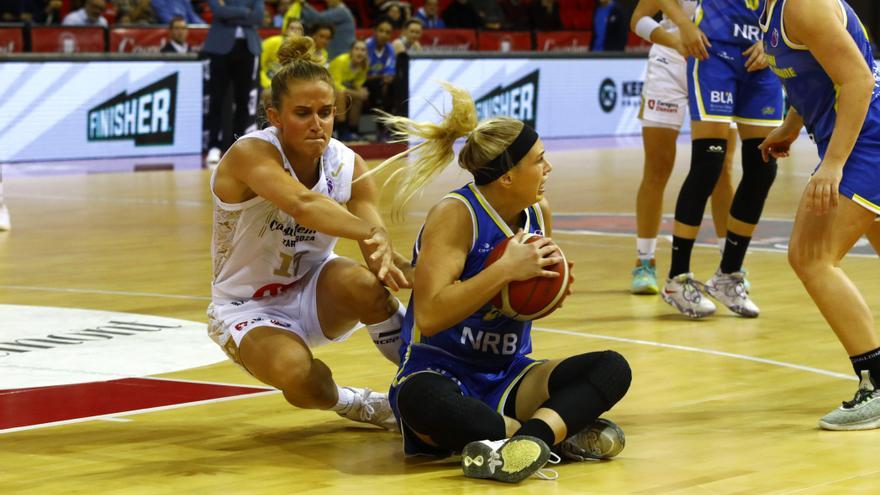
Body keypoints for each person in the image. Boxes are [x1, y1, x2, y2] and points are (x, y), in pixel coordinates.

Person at [368, 83, 632, 483]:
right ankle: (550, 439)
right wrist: (504, 271)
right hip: (440, 370)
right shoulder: (456, 215)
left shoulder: (538, 212)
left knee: (613, 368)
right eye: (539, 160)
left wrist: (545, 291)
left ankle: (529, 441)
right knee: (421, 402)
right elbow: (432, 314)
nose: (550, 168)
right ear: (507, 177)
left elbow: (522, 297)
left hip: (509, 373)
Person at [207, 35, 412, 431]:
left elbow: (380, 255)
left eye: (326, 111)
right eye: (303, 113)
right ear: (275, 116)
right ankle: (357, 403)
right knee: (301, 378)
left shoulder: (349, 164)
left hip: (316, 285)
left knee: (367, 286)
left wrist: (425, 274)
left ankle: (433, 374)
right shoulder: (251, 154)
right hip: (246, 306)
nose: (317, 124)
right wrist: (372, 231)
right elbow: (303, 205)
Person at [757, 0, 880, 430]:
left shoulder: (803, 5)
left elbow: (859, 80)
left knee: (811, 257)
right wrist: (791, 126)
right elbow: (816, 69)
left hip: (868, 139)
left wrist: (834, 163)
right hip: (863, 136)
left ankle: (877, 384)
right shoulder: (774, 9)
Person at [658, 0, 783, 319]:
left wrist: (774, 42)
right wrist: (683, 25)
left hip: (762, 56)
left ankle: (728, 275)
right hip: (714, 51)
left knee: (763, 167)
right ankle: (677, 278)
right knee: (709, 162)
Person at [628, 0, 737, 295]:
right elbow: (638, 19)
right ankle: (645, 260)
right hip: (670, 64)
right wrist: (674, 40)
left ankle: (729, 267)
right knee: (658, 166)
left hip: (722, 63)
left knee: (722, 168)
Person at [202, 0, 264, 169]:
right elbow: (218, 12)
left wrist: (230, 12)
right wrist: (245, 12)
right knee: (217, 99)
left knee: (243, 100)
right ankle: (214, 146)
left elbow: (259, 17)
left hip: (248, 48)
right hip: (219, 48)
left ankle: (234, 146)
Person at [329, 40, 370, 141]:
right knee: (341, 94)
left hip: (343, 90)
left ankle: (353, 131)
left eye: (363, 50)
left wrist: (362, 91)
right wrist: (357, 93)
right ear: (351, 51)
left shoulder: (363, 65)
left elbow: (357, 83)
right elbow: (336, 85)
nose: (360, 52)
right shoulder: (341, 61)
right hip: (327, 90)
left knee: (358, 98)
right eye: (357, 49)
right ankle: (341, 130)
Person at [260, 19, 304, 90]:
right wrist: (267, 84)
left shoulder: (304, 49)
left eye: (299, 29)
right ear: (286, 30)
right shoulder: (271, 42)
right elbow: (258, 66)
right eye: (292, 28)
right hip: (266, 83)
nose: (295, 31)